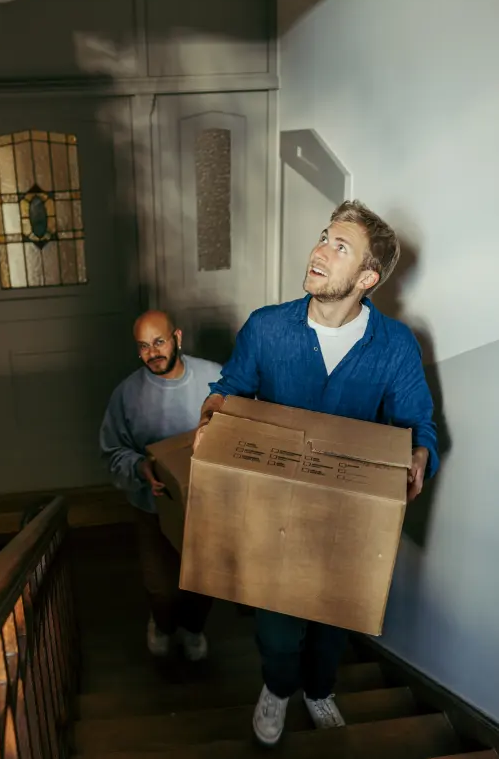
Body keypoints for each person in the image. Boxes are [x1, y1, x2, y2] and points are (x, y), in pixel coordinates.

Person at [196, 201, 438, 746]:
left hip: (348, 523)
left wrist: (421, 453)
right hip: (273, 515)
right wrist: (217, 407)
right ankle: (278, 689)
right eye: (324, 237)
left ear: (368, 278)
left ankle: (319, 690)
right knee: (278, 631)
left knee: (331, 628)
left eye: (340, 247)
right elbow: (231, 389)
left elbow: (417, 423)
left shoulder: (396, 345)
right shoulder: (265, 328)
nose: (319, 251)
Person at [100, 310, 221, 661]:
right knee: (162, 588)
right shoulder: (127, 394)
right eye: (143, 347)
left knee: (202, 582)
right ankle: (164, 625)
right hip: (152, 506)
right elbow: (111, 451)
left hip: (207, 505)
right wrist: (139, 467)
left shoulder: (215, 378)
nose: (152, 353)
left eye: (159, 342)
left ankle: (194, 628)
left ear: (177, 338)